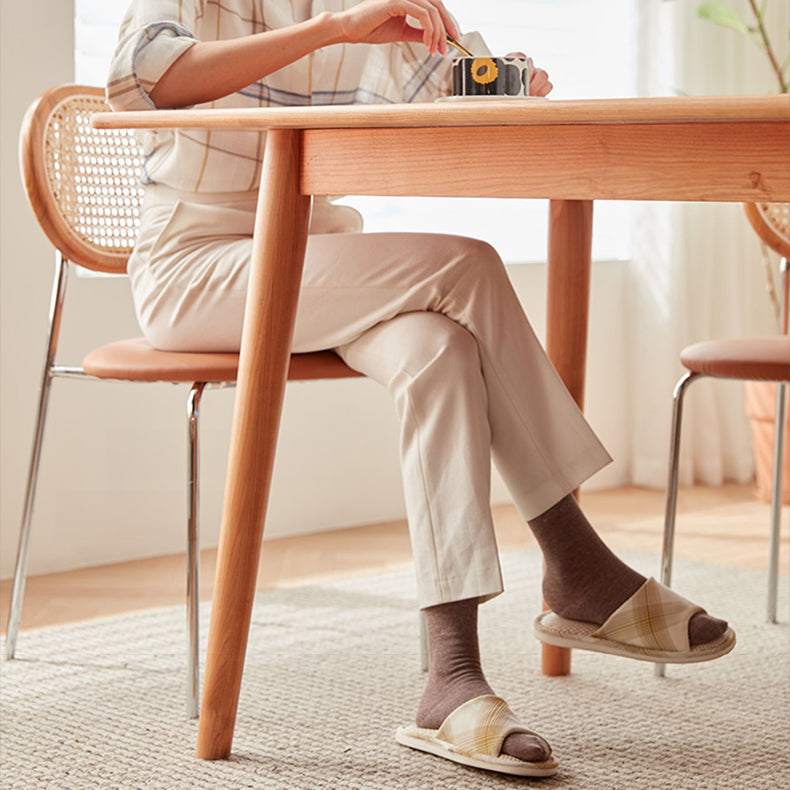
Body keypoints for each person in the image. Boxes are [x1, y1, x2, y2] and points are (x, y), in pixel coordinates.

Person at [108, 0, 735, 777]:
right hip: (198, 271)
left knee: (440, 349)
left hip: (319, 265)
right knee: (465, 265)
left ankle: (450, 679)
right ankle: (576, 562)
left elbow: (435, 93)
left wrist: (495, 79)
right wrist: (335, 31)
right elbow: (148, 77)